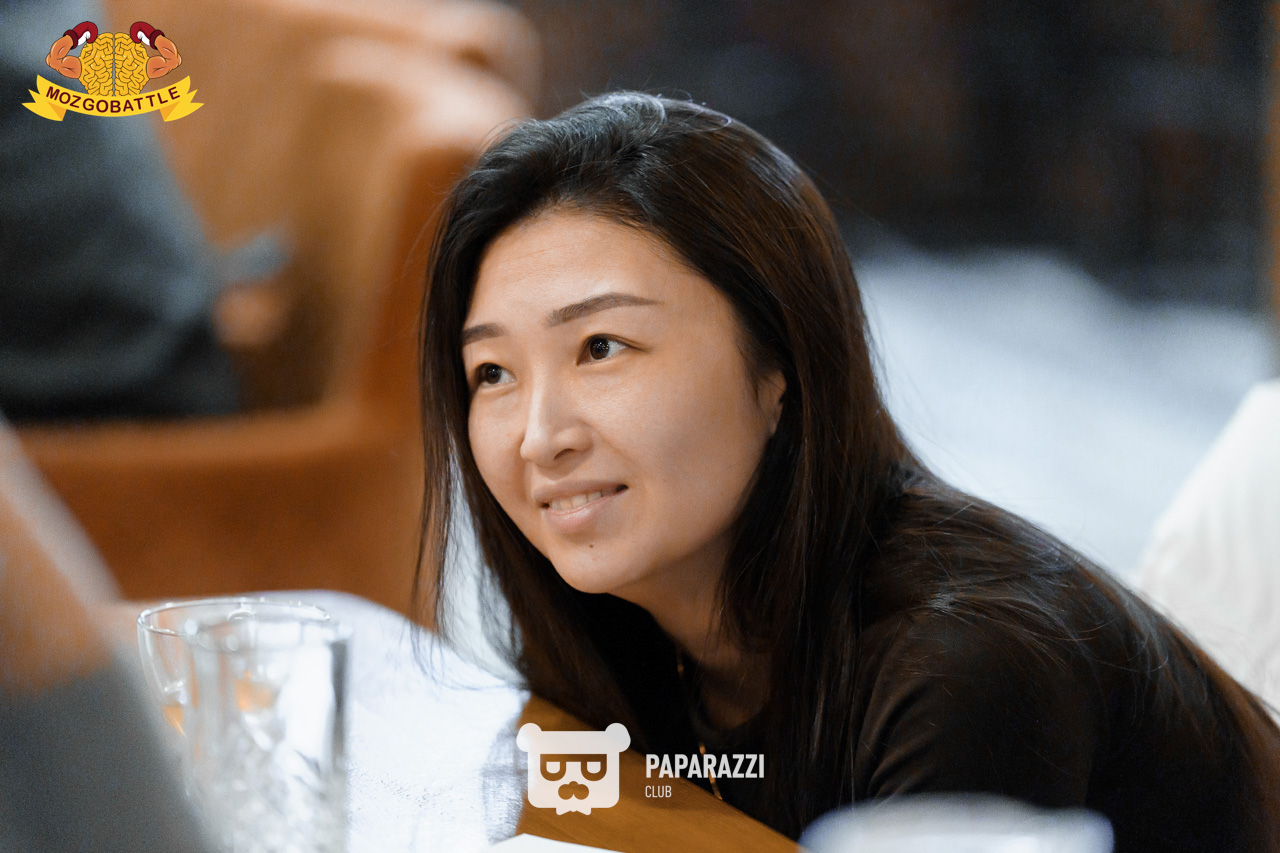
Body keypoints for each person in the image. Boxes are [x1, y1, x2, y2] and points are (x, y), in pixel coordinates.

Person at [416, 92, 1280, 849]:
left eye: (602, 346)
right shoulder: (615, 636)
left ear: (778, 366)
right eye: (492, 372)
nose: (539, 437)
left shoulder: (964, 667)